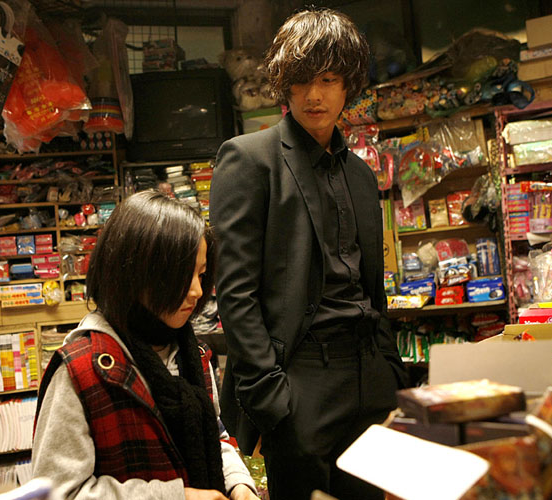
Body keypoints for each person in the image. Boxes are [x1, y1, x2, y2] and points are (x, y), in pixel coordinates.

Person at [209, 7, 409, 500]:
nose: (313, 95)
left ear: (348, 85)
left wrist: (390, 369)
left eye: (328, 79)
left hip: (370, 374)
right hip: (301, 380)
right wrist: (271, 397)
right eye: (300, 80)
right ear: (284, 85)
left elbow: (371, 285)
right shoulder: (248, 159)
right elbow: (235, 293)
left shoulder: (361, 175)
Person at [32, 190, 259, 500]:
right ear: (138, 273)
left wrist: (238, 483)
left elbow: (214, 435)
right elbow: (56, 493)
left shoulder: (194, 355)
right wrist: (176, 497)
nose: (197, 291)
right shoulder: (80, 371)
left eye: (202, 274)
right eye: (183, 275)